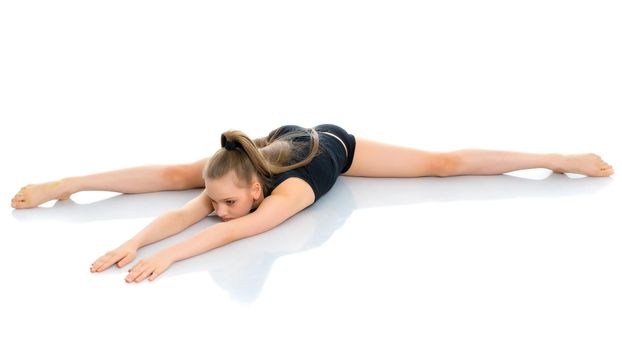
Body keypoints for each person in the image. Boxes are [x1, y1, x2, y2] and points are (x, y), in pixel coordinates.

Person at [10, 124, 615, 283]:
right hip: (278, 137)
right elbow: (186, 210)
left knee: (441, 164)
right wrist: (133, 243)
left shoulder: (290, 193)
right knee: (171, 174)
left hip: (330, 142)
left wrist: (170, 260)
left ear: (255, 190)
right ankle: (66, 182)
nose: (217, 209)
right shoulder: (232, 179)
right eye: (214, 200)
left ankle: (563, 159)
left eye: (227, 202)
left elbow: (227, 235)